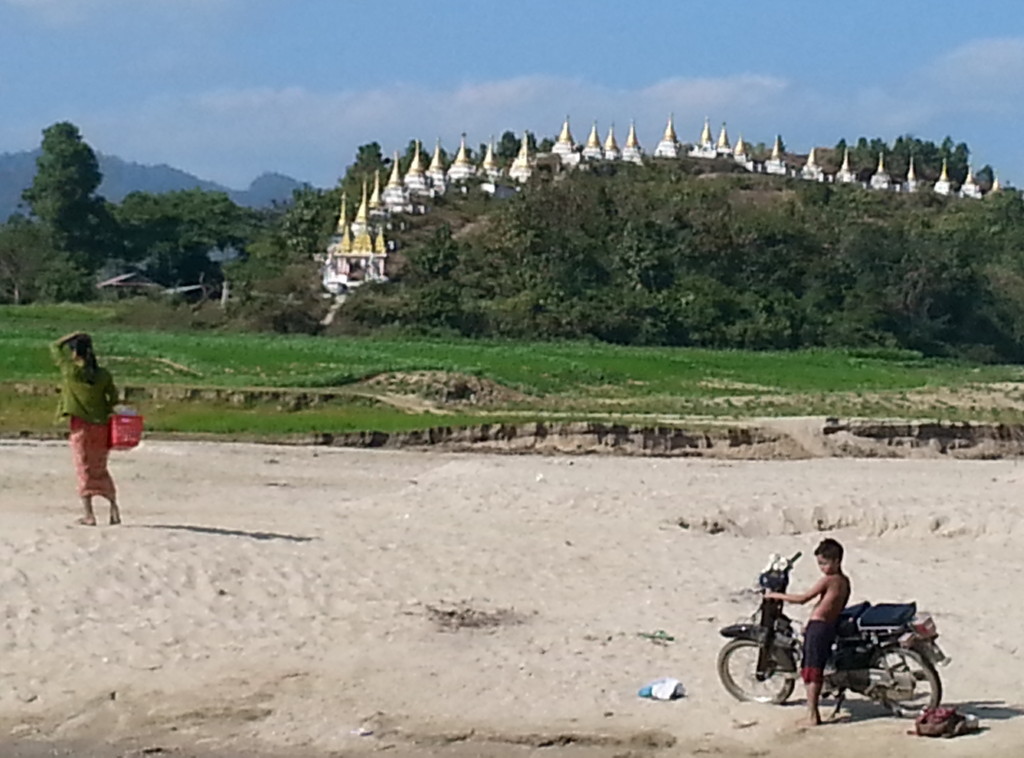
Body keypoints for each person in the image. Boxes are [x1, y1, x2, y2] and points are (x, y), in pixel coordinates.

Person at [764, 538, 851, 726]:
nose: (822, 567)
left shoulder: (829, 580)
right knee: (816, 667)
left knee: (811, 670)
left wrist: (775, 595)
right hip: (827, 625)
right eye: (820, 563)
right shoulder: (844, 581)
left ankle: (812, 715)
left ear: (837, 561)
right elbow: (829, 605)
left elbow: (803, 599)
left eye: (825, 563)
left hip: (819, 628)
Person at [51, 331, 121, 526]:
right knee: (100, 467)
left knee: (84, 468)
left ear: (74, 353)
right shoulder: (103, 375)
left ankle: (89, 514)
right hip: (102, 426)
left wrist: (72, 335)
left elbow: (54, 346)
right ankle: (114, 509)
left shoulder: (70, 371)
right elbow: (114, 399)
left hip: (81, 427)